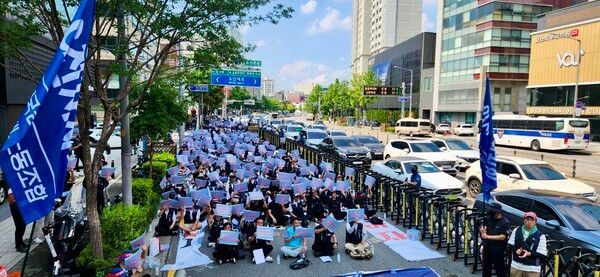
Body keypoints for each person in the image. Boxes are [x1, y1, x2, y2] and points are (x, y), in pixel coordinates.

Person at [508, 212, 547, 277]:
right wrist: (516, 250)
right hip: (516, 266)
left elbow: (542, 254)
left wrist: (529, 253)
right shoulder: (516, 230)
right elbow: (511, 245)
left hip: (532, 269)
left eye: (532, 220)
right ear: (524, 220)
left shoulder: (541, 236)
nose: (529, 222)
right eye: (527, 219)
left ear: (535, 222)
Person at [480, 203, 511, 277]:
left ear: (498, 212)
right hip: (487, 247)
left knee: (499, 269)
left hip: (498, 249)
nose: (491, 212)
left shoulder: (505, 222)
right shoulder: (489, 218)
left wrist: (487, 236)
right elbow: (483, 227)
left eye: (493, 211)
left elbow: (503, 237)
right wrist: (482, 230)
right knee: (486, 268)